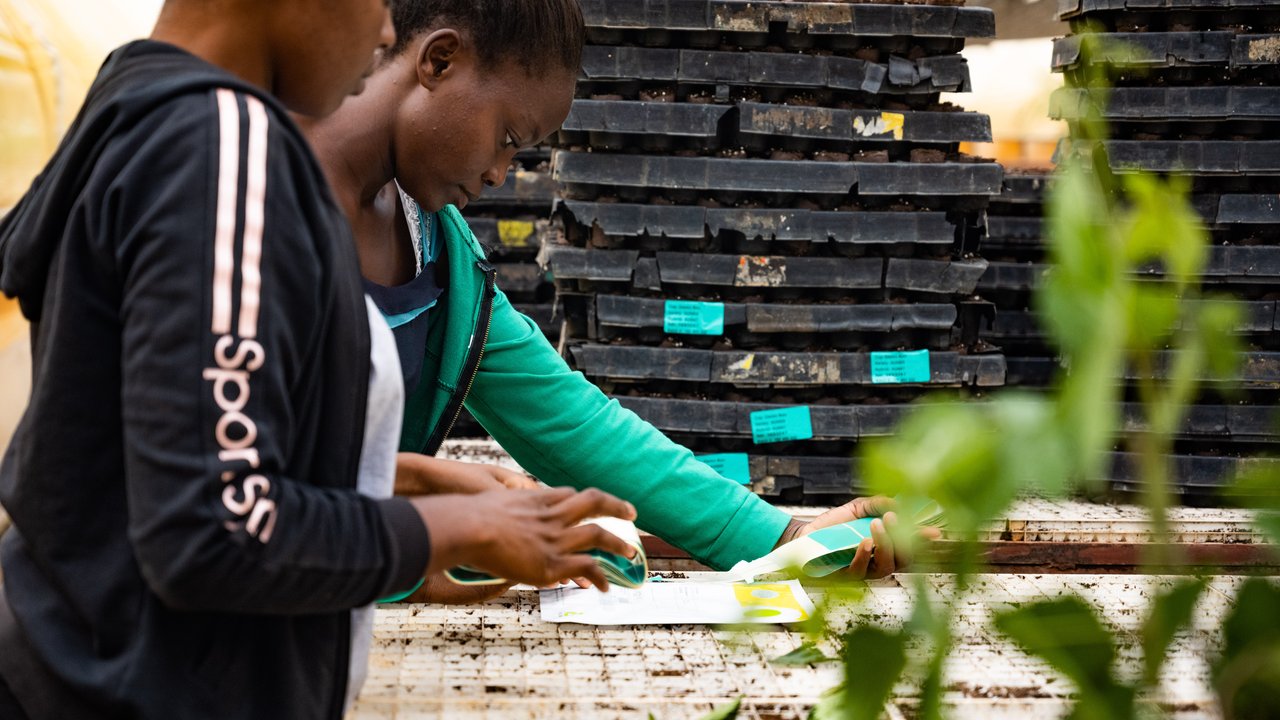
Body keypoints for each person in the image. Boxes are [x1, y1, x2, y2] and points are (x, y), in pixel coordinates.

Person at [0, 1, 639, 718]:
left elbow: (140, 457)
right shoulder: (224, 146)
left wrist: (390, 482)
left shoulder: (136, 100)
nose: (387, 31)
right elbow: (211, 531)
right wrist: (458, 531)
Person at [302, 0, 937, 604]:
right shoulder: (252, 199)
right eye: (507, 137)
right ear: (439, 61)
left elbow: (569, 421)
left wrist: (782, 539)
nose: (500, 173)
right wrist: (430, 531)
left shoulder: (437, 249)